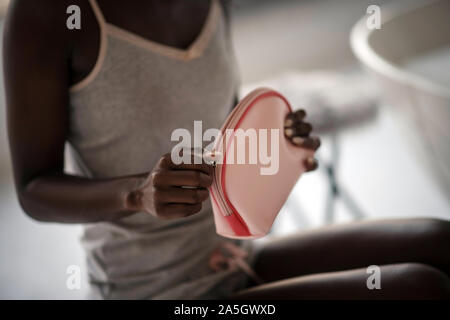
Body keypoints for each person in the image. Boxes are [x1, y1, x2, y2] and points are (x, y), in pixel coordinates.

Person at [3, 0, 449, 299]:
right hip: (152, 290)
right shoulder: (45, 15)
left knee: (438, 241)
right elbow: (33, 190)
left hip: (234, 256)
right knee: (417, 286)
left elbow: (224, 136)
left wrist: (276, 147)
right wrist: (136, 193)